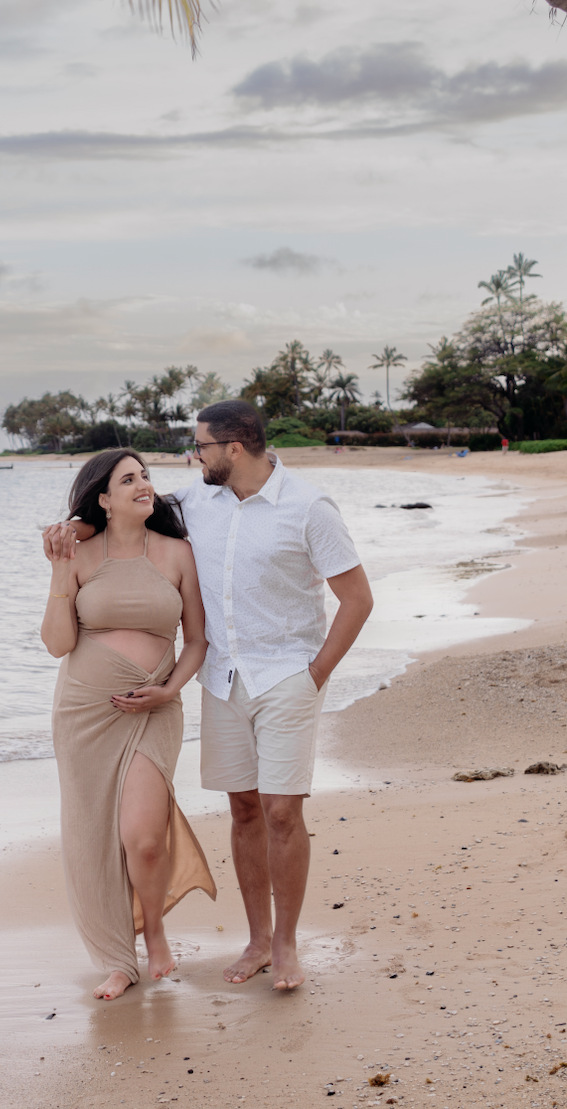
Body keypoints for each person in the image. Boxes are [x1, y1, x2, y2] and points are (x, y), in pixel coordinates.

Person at [46, 402, 374, 992]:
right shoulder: (196, 501)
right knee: (244, 810)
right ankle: (255, 941)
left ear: (234, 448)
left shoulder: (309, 507)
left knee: (281, 811)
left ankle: (286, 944)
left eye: (199, 446)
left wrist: (316, 674)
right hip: (221, 680)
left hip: (286, 678)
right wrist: (75, 529)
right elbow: (125, 514)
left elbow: (357, 600)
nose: (190, 456)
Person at [41, 449, 216, 1000]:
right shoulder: (77, 555)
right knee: (93, 835)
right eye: (128, 479)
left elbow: (197, 641)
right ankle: (118, 960)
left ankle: (156, 930)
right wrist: (57, 572)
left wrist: (171, 689)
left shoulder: (179, 553)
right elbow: (58, 644)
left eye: (145, 476)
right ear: (103, 498)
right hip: (85, 713)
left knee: (141, 837)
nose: (144, 485)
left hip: (155, 709)